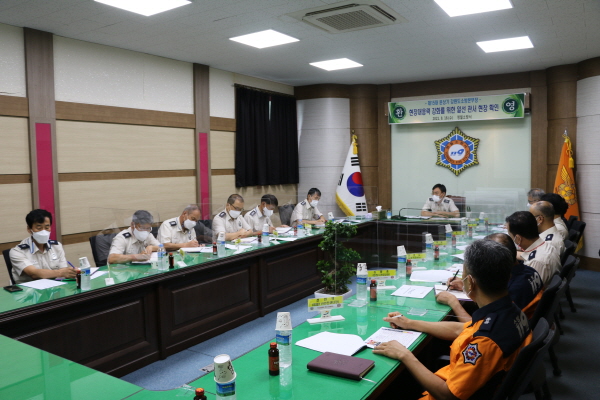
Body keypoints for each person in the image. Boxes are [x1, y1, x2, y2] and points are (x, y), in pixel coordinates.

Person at [373, 240, 532, 400]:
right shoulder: (509, 310)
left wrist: (405, 355)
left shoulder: (486, 341)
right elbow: (461, 329)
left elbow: (448, 395)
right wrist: (409, 323)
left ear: (470, 283)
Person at [439, 233, 543, 320]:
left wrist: (453, 303)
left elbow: (479, 328)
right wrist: (467, 285)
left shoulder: (513, 289)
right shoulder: (529, 271)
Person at [10, 209, 77, 284]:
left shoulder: (56, 246)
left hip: (54, 287)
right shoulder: (17, 252)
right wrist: (61, 273)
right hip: (29, 289)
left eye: (47, 228)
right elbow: (34, 274)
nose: (43, 231)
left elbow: (64, 270)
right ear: (29, 229)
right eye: (39, 228)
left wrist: (70, 272)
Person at [505, 211, 561, 286]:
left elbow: (529, 289)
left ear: (518, 238)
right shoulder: (546, 245)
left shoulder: (535, 262)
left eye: (510, 235)